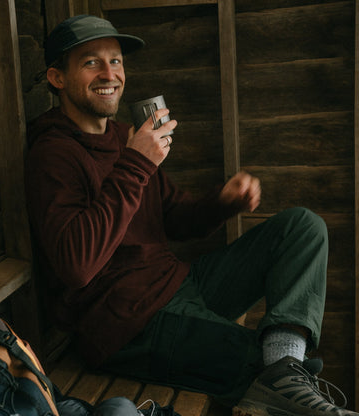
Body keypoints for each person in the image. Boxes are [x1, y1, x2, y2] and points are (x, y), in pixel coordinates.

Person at [24, 14, 357, 416]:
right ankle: (285, 378)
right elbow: (76, 265)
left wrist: (223, 202)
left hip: (179, 284)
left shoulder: (125, 136)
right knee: (264, 365)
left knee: (301, 227)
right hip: (126, 325)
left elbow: (176, 217)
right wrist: (136, 163)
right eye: (91, 62)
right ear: (57, 78)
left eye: (116, 61)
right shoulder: (53, 154)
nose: (109, 73)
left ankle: (283, 372)